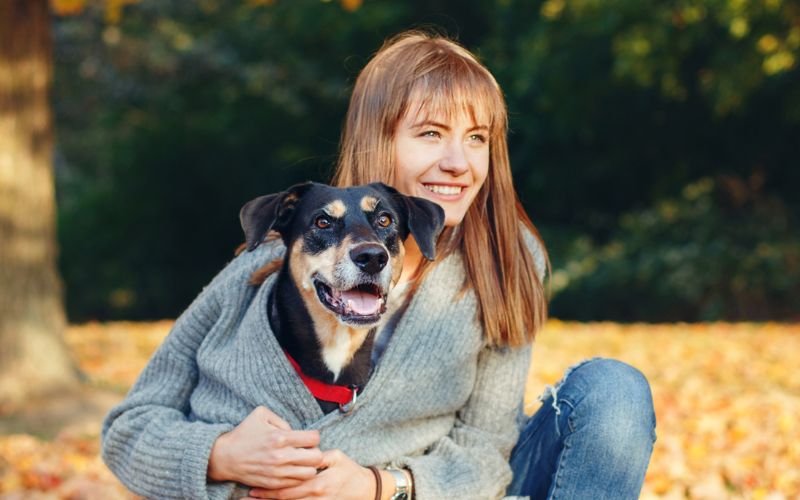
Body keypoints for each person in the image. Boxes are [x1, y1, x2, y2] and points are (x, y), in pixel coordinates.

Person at [102, 30, 656, 500]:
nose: (458, 163)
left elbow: (489, 451)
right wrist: (219, 455)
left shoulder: (505, 260)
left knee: (613, 393)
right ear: (379, 140)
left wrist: (378, 485)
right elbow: (129, 429)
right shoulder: (276, 260)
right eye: (431, 134)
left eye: (476, 139)